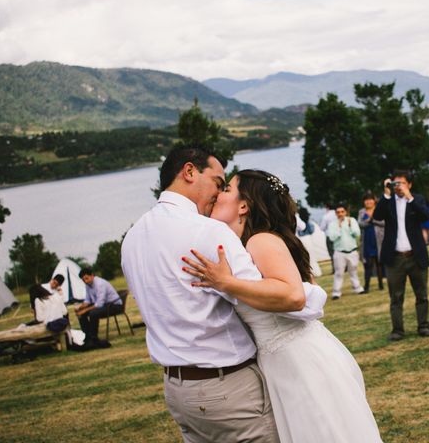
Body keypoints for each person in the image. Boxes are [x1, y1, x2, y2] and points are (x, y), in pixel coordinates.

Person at [121, 146, 326, 443]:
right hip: (227, 389)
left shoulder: (133, 239)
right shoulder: (208, 232)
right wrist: (312, 295)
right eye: (218, 183)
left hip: (177, 391)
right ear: (189, 172)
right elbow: (280, 299)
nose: (218, 193)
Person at [182, 169, 383, 443]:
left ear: (244, 205)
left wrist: (226, 283)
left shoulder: (260, 240)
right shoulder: (244, 245)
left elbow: (293, 295)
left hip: (299, 361)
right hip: (280, 362)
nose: (218, 194)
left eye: (227, 189)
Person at [373, 170, 429, 341]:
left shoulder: (417, 199)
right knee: (396, 297)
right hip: (395, 257)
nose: (398, 186)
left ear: (409, 184)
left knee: (421, 294)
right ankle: (398, 330)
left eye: (401, 183)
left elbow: (425, 216)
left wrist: (409, 198)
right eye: (395, 183)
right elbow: (376, 216)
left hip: (416, 255)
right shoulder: (388, 202)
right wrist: (385, 194)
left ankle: (424, 326)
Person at [327, 204, 365, 299]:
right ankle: (336, 292)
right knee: (339, 273)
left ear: (345, 212)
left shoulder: (351, 220)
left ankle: (357, 288)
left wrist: (350, 226)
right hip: (339, 252)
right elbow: (332, 237)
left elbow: (357, 233)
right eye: (338, 212)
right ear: (336, 213)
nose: (340, 214)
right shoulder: (332, 224)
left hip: (352, 251)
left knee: (353, 271)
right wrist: (339, 228)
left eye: (342, 211)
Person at [75, 267, 122, 344]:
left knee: (93, 313)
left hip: (114, 305)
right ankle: (88, 336)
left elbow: (99, 304)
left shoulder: (100, 284)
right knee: (81, 314)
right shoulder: (88, 285)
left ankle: (94, 338)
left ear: (92, 275)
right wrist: (79, 308)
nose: (85, 281)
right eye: (83, 280)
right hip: (104, 305)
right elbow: (87, 300)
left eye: (87, 278)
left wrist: (85, 310)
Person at [358, 192, 384, 293]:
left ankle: (381, 285)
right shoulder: (361, 212)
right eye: (366, 200)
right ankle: (366, 287)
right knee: (368, 265)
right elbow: (360, 224)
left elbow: (384, 222)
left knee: (379, 264)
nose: (368, 202)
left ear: (374, 201)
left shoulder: (379, 209)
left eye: (370, 199)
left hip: (379, 241)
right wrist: (369, 220)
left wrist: (373, 221)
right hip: (367, 241)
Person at [320, 204, 337, 273]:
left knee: (332, 253)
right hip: (338, 235)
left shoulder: (326, 216)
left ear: (327, 208)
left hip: (329, 236)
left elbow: (322, 227)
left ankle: (335, 269)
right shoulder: (337, 213)